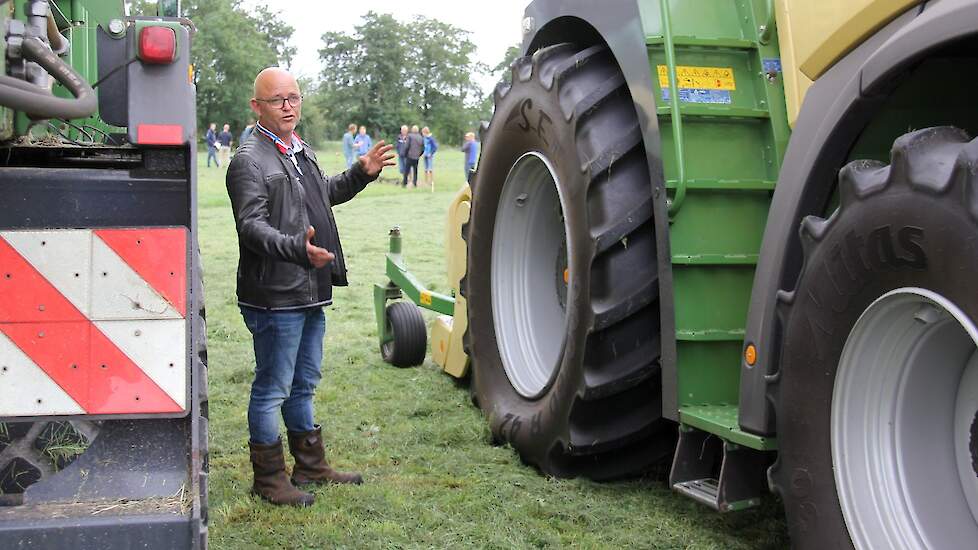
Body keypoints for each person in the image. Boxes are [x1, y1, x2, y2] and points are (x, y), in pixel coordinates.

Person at [226, 67, 395, 507]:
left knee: (303, 384)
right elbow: (251, 228)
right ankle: (268, 479)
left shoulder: (299, 150)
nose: (288, 106)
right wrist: (295, 250)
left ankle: (310, 464)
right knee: (272, 388)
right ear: (257, 106)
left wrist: (361, 172)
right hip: (275, 295)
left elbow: (323, 194)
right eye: (277, 99)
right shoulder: (249, 160)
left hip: (310, 288)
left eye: (294, 98)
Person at [422, 126, 438, 191]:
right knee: (425, 169)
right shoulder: (424, 138)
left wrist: (431, 153)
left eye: (423, 132)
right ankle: (426, 181)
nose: (422, 134)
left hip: (429, 156)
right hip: (424, 155)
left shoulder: (431, 138)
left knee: (430, 169)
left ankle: (431, 181)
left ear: (426, 132)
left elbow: (435, 147)